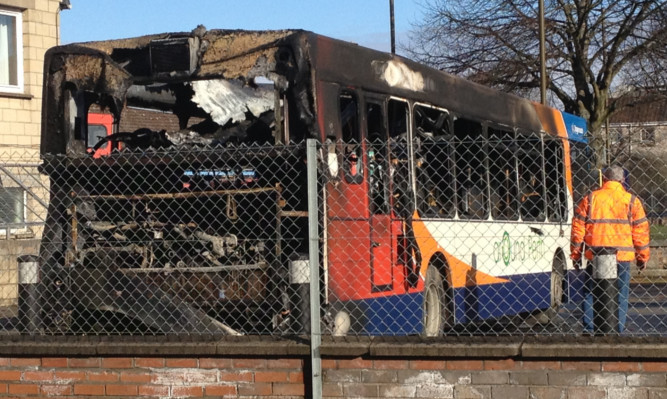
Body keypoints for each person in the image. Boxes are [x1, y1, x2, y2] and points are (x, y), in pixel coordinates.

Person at [570, 165, 650, 334]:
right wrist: (642, 257)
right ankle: (616, 330)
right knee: (620, 294)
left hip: (597, 254)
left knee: (592, 292)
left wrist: (576, 254)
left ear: (604, 179)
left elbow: (578, 228)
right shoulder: (632, 201)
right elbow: (641, 231)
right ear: (622, 180)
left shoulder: (590, 198)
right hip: (622, 256)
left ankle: (590, 329)